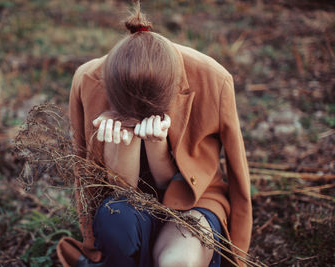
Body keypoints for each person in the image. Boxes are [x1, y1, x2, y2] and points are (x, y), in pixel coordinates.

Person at [57, 2, 252, 267]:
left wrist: (237, 257)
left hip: (196, 201)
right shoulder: (87, 79)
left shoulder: (213, 79)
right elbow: (86, 177)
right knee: (116, 219)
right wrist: (123, 146)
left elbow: (239, 177)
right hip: (124, 204)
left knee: (178, 262)